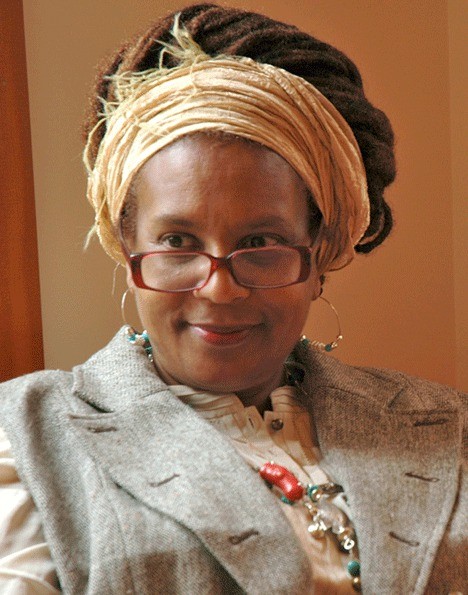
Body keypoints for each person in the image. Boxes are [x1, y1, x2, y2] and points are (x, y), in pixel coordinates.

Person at [0, 3, 465, 594]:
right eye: (178, 242)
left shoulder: (449, 425)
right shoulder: (26, 440)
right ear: (127, 247)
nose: (219, 288)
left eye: (260, 242)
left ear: (319, 256)